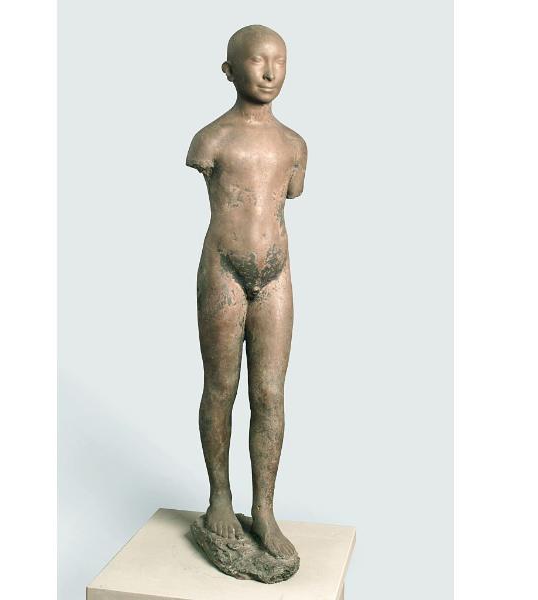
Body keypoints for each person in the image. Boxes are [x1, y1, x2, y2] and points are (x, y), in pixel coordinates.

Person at [186, 24, 307, 559]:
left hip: (275, 274)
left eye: (279, 60)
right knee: (221, 386)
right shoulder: (211, 140)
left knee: (271, 393)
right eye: (257, 60)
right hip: (224, 270)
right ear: (229, 70)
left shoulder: (294, 145)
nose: (270, 71)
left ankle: (264, 510)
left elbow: (288, 197)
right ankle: (219, 496)